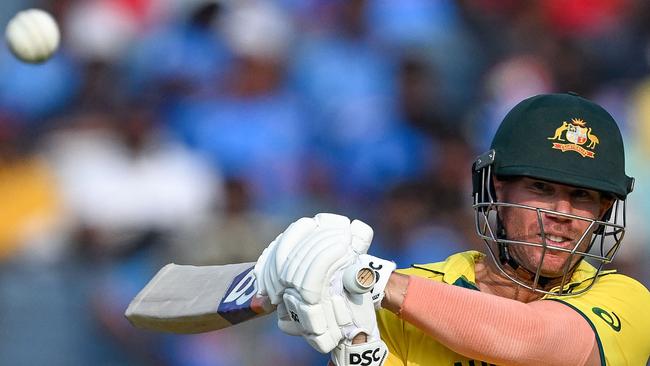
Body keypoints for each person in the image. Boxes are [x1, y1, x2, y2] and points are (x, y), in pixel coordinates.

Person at [254, 93, 650, 366]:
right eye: (541, 189)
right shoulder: (409, 298)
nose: (562, 212)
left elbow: (529, 338)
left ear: (604, 209)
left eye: (581, 196)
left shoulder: (627, 301)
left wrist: (370, 279)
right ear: (497, 188)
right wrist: (359, 350)